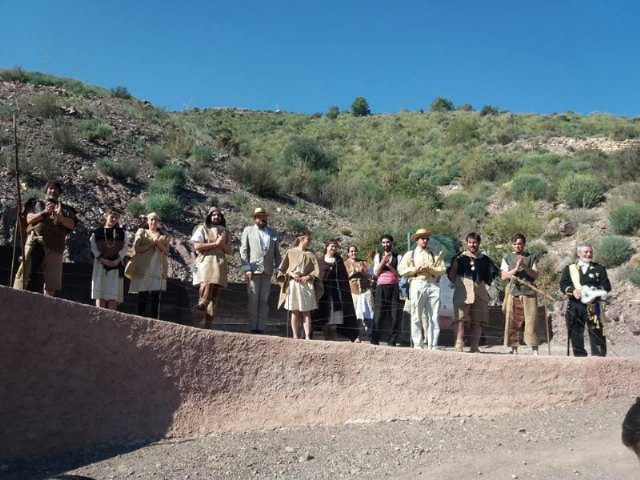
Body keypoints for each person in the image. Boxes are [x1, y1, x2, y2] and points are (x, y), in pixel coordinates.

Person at [13, 180, 77, 296]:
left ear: (59, 192)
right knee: (25, 274)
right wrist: (44, 212)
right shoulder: (36, 203)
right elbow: (29, 219)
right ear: (46, 190)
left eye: (56, 189)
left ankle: (46, 304)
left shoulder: (66, 209)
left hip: (55, 246)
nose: (53, 191)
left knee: (51, 282)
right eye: (51, 188)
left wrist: (60, 217)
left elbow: (72, 224)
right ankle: (18, 298)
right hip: (35, 242)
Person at [447, 232, 499, 353]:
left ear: (479, 243)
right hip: (463, 291)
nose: (472, 245)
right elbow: (451, 275)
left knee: (478, 320)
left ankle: (474, 346)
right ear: (467, 243)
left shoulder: (485, 259)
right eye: (470, 242)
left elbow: (491, 276)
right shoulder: (459, 258)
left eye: (475, 242)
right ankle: (458, 344)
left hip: (479, 292)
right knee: (460, 319)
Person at [559, 242, 612, 357]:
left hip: (595, 305)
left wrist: (594, 290)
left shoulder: (599, 268)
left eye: (590, 252)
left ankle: (598, 359)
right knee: (576, 333)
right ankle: (580, 358)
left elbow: (607, 286)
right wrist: (572, 290)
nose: (589, 254)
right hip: (575, 304)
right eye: (586, 252)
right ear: (578, 253)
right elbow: (563, 285)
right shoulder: (570, 269)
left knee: (597, 333)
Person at [398, 228, 446, 350]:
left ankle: (433, 345)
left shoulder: (434, 254)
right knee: (416, 315)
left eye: (426, 238)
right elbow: (401, 270)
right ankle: (418, 345)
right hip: (417, 282)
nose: (425, 240)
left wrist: (430, 269)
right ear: (417, 240)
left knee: (434, 316)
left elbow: (442, 269)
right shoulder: (410, 254)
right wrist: (416, 269)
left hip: (432, 284)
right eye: (422, 238)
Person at [240, 207, 281, 334]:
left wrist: (277, 269)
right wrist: (247, 268)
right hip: (253, 270)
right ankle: (252, 326)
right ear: (255, 218)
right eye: (259, 216)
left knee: (264, 300)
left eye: (264, 216)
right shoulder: (248, 230)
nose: (262, 218)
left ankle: (261, 327)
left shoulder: (273, 233)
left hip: (267, 271)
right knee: (253, 299)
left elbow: (277, 253)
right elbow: (243, 250)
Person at [191, 207, 232, 328]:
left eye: (218, 215)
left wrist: (221, 243)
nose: (216, 217)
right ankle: (197, 322)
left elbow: (229, 250)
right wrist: (215, 243)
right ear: (209, 216)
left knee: (214, 296)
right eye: (214, 215)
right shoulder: (202, 228)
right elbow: (197, 246)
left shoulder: (225, 232)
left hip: (219, 263)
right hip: (206, 262)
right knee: (205, 292)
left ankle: (209, 324)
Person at [277, 234, 322, 340]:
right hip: (294, 284)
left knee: (306, 312)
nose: (310, 241)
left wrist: (309, 276)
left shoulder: (311, 254)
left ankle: (306, 336)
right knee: (295, 311)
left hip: (307, 285)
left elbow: (317, 270)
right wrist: (292, 274)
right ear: (301, 239)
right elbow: (283, 269)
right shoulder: (291, 252)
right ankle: (295, 335)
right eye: (308, 239)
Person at [501, 233, 540, 355]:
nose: (517, 246)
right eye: (515, 244)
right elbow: (504, 276)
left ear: (524, 244)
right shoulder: (507, 257)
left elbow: (535, 275)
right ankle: (514, 349)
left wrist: (524, 266)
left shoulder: (531, 257)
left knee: (531, 320)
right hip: (514, 292)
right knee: (513, 321)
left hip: (529, 293)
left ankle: (534, 349)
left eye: (519, 244)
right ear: (512, 245)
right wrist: (517, 268)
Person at [314, 240, 359, 341]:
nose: (333, 248)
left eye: (335, 247)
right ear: (326, 247)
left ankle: (334, 341)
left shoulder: (338, 261)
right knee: (325, 320)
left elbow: (343, 278)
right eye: (331, 246)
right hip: (324, 295)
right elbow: (319, 276)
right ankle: (327, 340)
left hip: (336, 295)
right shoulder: (320, 261)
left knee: (334, 322)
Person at [128, 212, 170, 319]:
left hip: (157, 266)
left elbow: (166, 252)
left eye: (156, 220)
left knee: (156, 294)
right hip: (144, 266)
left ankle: (154, 318)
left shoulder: (163, 236)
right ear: (147, 221)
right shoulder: (142, 232)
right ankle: (140, 317)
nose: (153, 222)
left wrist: (158, 243)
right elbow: (137, 249)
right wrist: (151, 243)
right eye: (151, 219)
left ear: (159, 222)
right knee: (143, 292)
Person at [89, 209, 129, 310]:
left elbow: (125, 248)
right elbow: (94, 247)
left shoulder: (122, 233)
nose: (114, 219)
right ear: (106, 216)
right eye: (112, 216)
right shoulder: (97, 233)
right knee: (100, 291)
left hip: (116, 265)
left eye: (116, 217)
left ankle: (112, 318)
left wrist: (117, 260)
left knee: (113, 293)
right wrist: (102, 260)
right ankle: (100, 316)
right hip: (100, 264)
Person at [371, 234, 403, 346]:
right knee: (379, 314)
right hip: (381, 287)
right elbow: (376, 273)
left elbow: (399, 274)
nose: (386, 244)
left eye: (388, 242)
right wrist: (382, 262)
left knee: (394, 315)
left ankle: (392, 341)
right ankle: (374, 340)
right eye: (384, 242)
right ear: (381, 244)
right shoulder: (378, 256)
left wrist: (389, 265)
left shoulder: (398, 257)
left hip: (394, 287)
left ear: (391, 243)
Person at [344, 244, 374, 341]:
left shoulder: (365, 263)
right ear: (348, 253)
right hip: (353, 290)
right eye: (351, 251)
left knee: (368, 311)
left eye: (355, 251)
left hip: (365, 290)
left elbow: (372, 277)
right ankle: (356, 334)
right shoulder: (345, 264)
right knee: (355, 312)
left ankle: (369, 334)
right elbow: (343, 278)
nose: (354, 253)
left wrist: (362, 272)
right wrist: (353, 273)